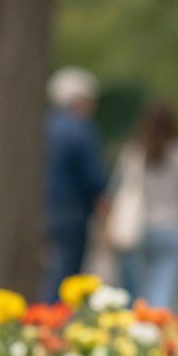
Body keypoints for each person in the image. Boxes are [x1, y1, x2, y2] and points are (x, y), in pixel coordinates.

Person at [107, 101, 178, 307]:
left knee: (142, 290)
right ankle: (159, 325)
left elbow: (116, 191)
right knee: (165, 287)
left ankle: (143, 326)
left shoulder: (133, 153)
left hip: (139, 229)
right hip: (175, 227)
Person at [42, 67, 109, 303]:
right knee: (67, 272)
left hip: (46, 207)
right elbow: (94, 177)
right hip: (73, 210)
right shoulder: (81, 130)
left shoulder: (45, 127)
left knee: (52, 268)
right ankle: (55, 320)